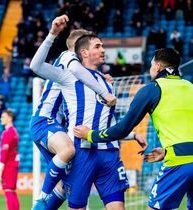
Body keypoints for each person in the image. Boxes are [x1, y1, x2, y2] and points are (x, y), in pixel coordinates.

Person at [74, 48, 193, 210]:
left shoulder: (152, 89)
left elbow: (122, 128)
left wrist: (91, 135)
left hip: (180, 162)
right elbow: (189, 128)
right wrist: (166, 152)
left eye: (150, 65)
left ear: (157, 67)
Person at [30, 15, 147, 209]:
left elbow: (109, 126)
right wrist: (52, 34)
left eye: (102, 46)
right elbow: (36, 66)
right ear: (83, 52)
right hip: (82, 153)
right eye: (98, 46)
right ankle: (42, 199)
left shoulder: (107, 83)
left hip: (109, 153)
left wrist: (133, 134)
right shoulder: (68, 75)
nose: (103, 50)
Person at [0, 109, 20, 210]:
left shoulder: (7, 133)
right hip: (13, 165)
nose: (1, 119)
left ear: (9, 118)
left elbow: (4, 153)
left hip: (9, 165)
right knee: (11, 191)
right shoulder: (14, 131)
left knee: (8, 191)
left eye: (3, 117)